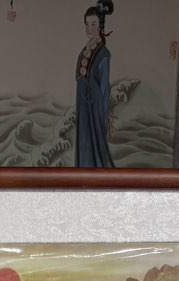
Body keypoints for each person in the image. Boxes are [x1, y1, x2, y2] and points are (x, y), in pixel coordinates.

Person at [75, 1, 115, 168]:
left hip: (95, 107)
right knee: (84, 143)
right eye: (87, 24)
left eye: (93, 24)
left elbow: (105, 88)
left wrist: (104, 116)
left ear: (100, 26)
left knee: (96, 148)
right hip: (84, 105)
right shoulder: (85, 50)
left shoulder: (104, 54)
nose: (89, 28)